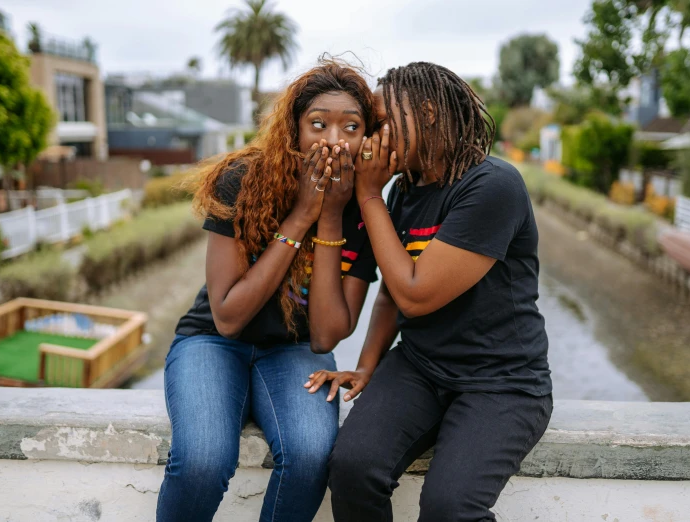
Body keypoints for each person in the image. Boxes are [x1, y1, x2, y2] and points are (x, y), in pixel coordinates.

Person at [305, 62, 553, 521]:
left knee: (449, 507)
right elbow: (390, 295)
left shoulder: (492, 186)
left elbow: (416, 294)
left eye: (383, 121)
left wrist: (367, 195)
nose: (375, 135)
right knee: (352, 468)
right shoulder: (402, 192)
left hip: (502, 382)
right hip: (421, 367)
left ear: (429, 112)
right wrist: (367, 365)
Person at [157, 60, 378, 522]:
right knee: (202, 460)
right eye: (318, 124)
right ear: (295, 129)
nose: (334, 140)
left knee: (312, 456)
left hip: (294, 350)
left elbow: (323, 337)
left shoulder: (366, 208)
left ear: (366, 137)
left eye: (351, 127)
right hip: (213, 343)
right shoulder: (243, 180)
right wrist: (301, 214)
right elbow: (229, 317)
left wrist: (332, 215)